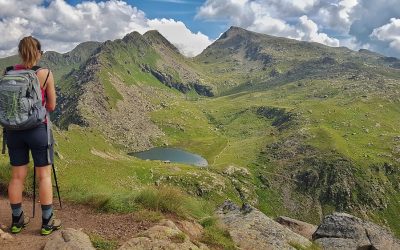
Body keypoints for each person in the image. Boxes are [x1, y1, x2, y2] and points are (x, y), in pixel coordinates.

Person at [4, 36, 61, 235]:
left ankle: (17, 220)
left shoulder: (9, 72)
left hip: (13, 131)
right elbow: (51, 106)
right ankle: (47, 222)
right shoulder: (45, 74)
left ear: (20, 52)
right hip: (38, 130)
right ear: (38, 53)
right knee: (43, 175)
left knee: (17, 176)